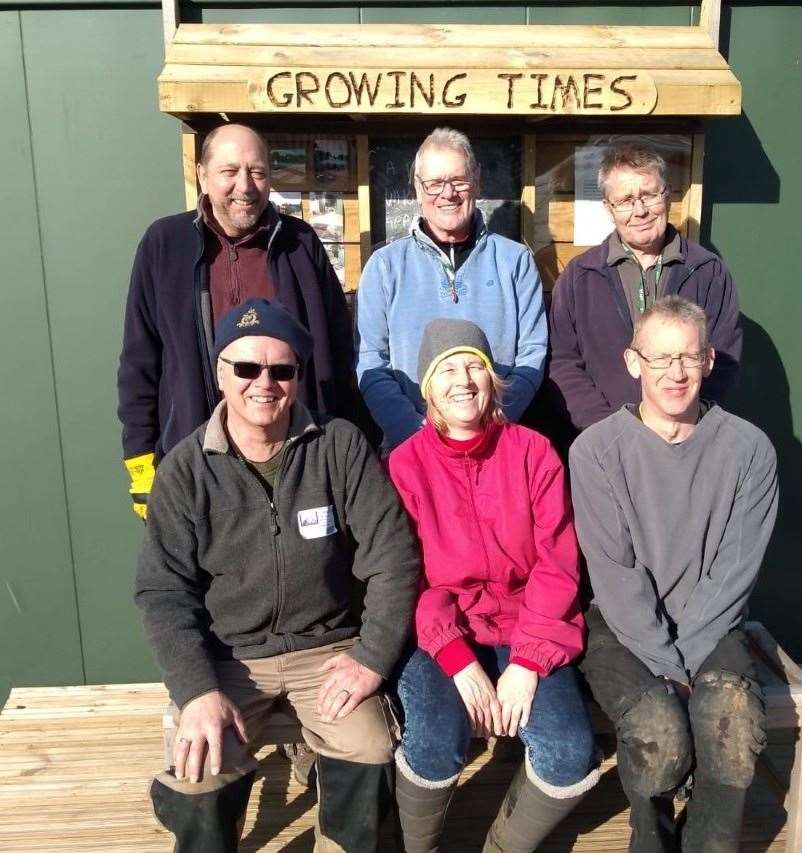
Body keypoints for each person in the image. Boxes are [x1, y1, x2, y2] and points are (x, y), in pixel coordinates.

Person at [135, 298, 419, 852]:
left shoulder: (339, 446)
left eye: (280, 370)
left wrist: (370, 660)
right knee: (200, 770)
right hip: (232, 658)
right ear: (221, 373)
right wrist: (195, 691)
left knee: (370, 747)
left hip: (329, 649)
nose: (263, 383)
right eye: (246, 368)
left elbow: (393, 558)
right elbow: (163, 592)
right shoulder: (185, 469)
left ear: (298, 377)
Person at [569, 296, 777, 852]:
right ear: (633, 362)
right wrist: (669, 667)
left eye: (687, 357)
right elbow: (615, 574)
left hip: (713, 623)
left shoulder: (749, 450)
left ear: (708, 360)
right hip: (621, 627)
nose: (675, 373)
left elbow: (735, 570)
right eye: (659, 358)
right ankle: (652, 839)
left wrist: (689, 661)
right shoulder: (596, 451)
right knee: (658, 735)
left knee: (729, 723)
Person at [387, 318, 599, 853]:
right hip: (445, 633)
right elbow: (409, 577)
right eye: (447, 370)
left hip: (530, 624)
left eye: (474, 366)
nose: (463, 380)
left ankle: (503, 845)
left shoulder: (533, 451)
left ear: (493, 378)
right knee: (434, 743)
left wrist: (527, 664)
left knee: (568, 750)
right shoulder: (404, 465)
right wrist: (458, 662)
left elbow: (558, 561)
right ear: (428, 389)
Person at [118, 123, 355, 520]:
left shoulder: (300, 244)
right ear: (202, 175)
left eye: (257, 172)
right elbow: (140, 361)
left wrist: (344, 451)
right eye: (229, 171)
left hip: (295, 459)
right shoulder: (164, 244)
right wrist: (142, 467)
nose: (244, 185)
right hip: (195, 462)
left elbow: (338, 351)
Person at [356, 127, 547, 450]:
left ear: (477, 180)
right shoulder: (385, 266)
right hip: (412, 448)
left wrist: (492, 425)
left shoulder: (516, 261)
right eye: (434, 183)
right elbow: (371, 360)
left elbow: (533, 353)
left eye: (459, 180)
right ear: (418, 188)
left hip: (496, 445)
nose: (448, 194)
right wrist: (418, 436)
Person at [548, 145, 741, 435]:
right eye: (625, 200)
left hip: (686, 439)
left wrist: (682, 423)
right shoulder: (579, 278)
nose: (639, 211)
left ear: (667, 195)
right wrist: (608, 431)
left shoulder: (707, 271)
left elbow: (723, 357)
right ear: (608, 208)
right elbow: (563, 361)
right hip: (602, 444)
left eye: (648, 195)